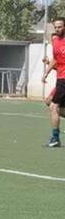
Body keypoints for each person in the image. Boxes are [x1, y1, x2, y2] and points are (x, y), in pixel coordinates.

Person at [41, 17, 65, 147]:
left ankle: (55, 138)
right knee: (51, 104)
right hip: (60, 79)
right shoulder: (56, 41)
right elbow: (56, 60)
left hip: (64, 80)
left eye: (60, 27)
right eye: (55, 27)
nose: (57, 29)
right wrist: (46, 72)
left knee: (53, 106)